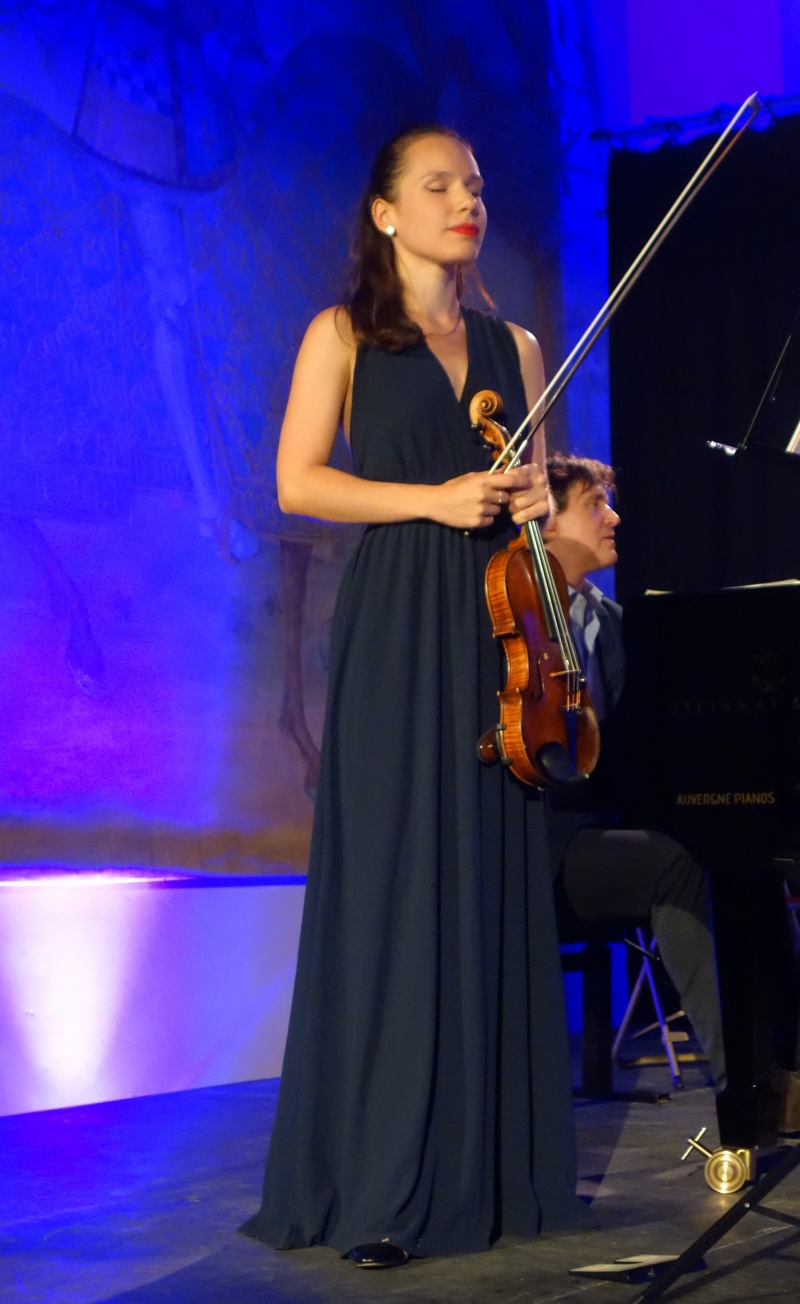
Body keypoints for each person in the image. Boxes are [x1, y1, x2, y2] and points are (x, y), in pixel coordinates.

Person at [240, 125, 595, 1267]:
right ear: (386, 212)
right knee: (397, 885)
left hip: (496, 633)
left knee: (484, 880)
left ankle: (492, 1171)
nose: (465, 202)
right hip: (397, 626)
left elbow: (537, 496)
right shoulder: (339, 334)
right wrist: (429, 499)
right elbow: (299, 477)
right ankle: (385, 1171)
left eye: (476, 187)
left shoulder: (518, 344)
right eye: (437, 186)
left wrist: (532, 495)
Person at [542, 451, 800, 1132]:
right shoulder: (523, 621)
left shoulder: (612, 620)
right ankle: (736, 1087)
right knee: (672, 865)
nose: (614, 516)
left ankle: (785, 1070)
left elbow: (645, 743)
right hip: (536, 840)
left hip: (595, 826)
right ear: (545, 523)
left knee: (749, 862)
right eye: (595, 503)